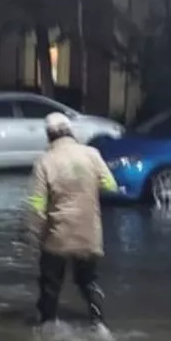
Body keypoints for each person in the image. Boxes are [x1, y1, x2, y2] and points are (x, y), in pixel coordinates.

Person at [26, 112, 119, 327]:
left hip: (58, 237)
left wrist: (33, 233)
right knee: (88, 281)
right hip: (89, 234)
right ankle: (99, 322)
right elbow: (110, 186)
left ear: (49, 136)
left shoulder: (45, 162)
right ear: (71, 131)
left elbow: (37, 205)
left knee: (50, 284)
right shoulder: (92, 154)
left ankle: (47, 325)